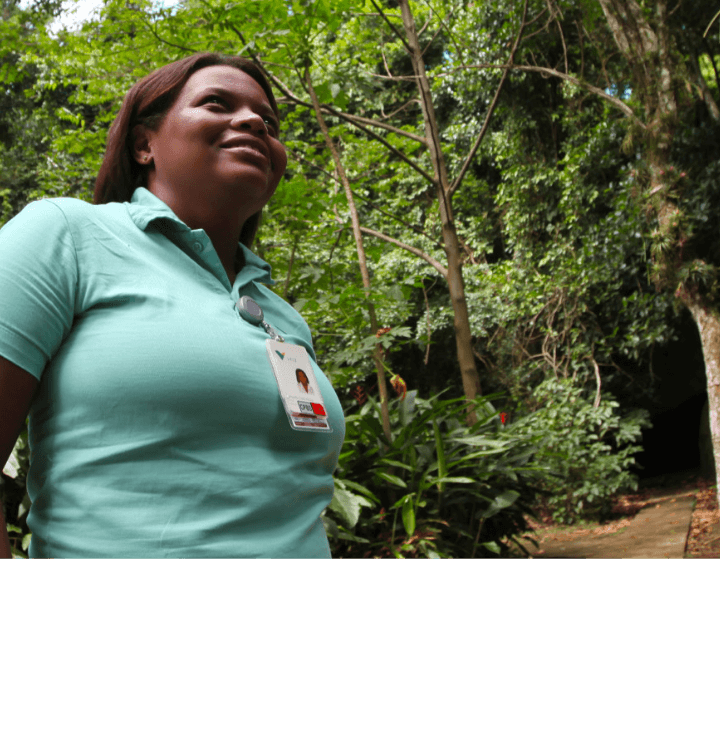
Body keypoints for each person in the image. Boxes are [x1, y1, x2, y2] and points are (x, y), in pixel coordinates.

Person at [0, 53, 345, 558]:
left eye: (269, 122)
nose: (254, 122)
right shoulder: (66, 235)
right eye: (216, 103)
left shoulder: (283, 315)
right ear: (144, 144)